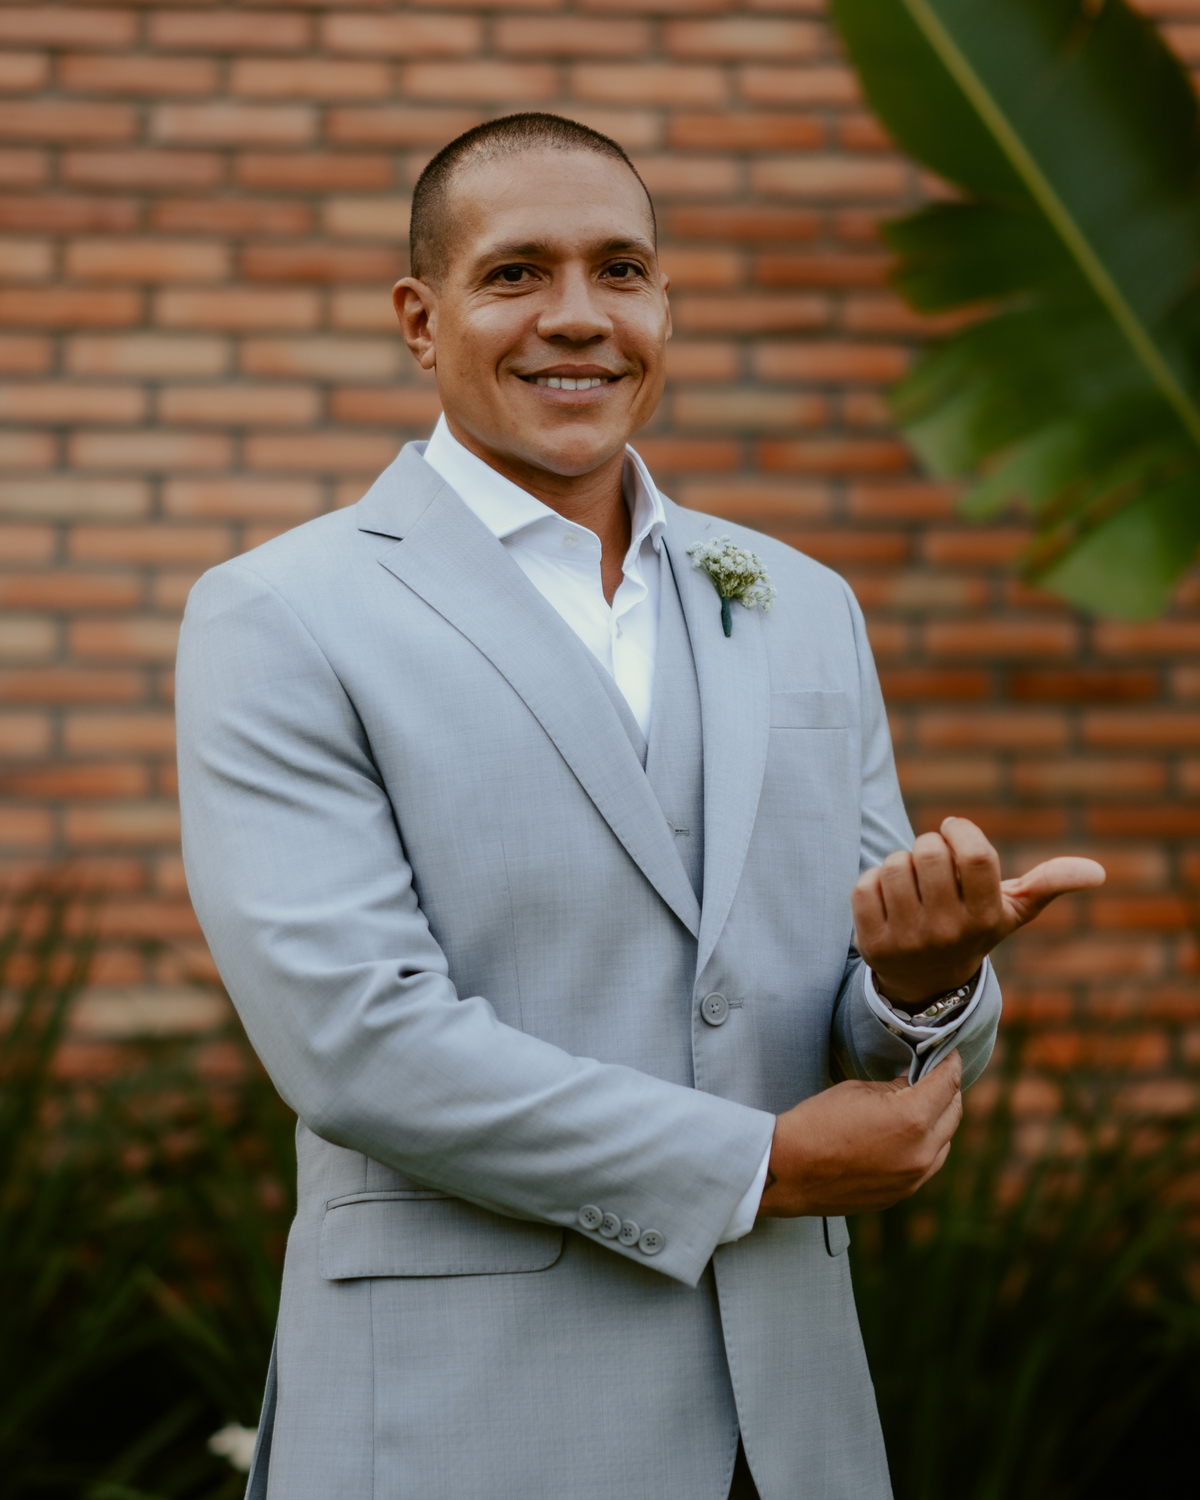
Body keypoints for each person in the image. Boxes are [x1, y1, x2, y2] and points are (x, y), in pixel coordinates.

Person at [176, 113, 1104, 1500]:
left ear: (665, 304)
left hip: (789, 1434)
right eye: (517, 275)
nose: (579, 318)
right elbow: (356, 1040)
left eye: (623, 269)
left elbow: (843, 1009)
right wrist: (759, 1165)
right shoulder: (282, 615)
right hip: (459, 1424)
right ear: (421, 320)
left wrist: (924, 980)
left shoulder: (800, 603)